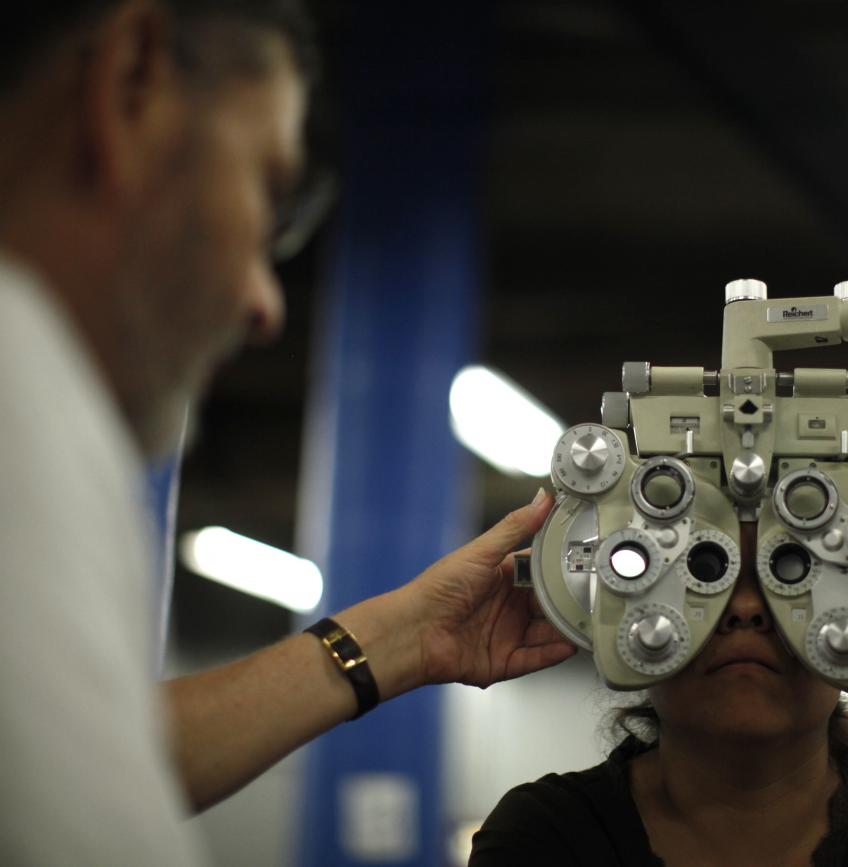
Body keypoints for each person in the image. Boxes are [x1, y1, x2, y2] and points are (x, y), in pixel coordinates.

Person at [0, 2, 574, 863]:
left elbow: (87, 753)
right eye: (267, 186)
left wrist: (405, 636)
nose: (265, 306)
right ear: (132, 84)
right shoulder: (20, 375)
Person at [469, 523, 848, 866]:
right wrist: (402, 645)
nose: (747, 607)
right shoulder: (548, 834)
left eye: (792, 575)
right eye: (704, 575)